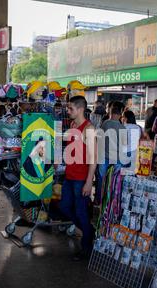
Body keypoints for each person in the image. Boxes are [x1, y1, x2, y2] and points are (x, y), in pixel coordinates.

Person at [60, 95, 97, 261]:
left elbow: (93, 157)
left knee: (81, 212)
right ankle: (88, 230)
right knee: (65, 207)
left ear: (80, 109)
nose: (68, 111)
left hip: (81, 178)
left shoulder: (88, 129)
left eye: (70, 109)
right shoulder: (73, 125)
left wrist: (89, 182)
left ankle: (86, 248)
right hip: (69, 175)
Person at [98, 102, 126, 199]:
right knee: (115, 180)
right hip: (117, 158)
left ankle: (99, 199)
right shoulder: (123, 128)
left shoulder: (105, 123)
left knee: (102, 179)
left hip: (103, 156)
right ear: (119, 115)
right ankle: (112, 200)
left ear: (111, 113)